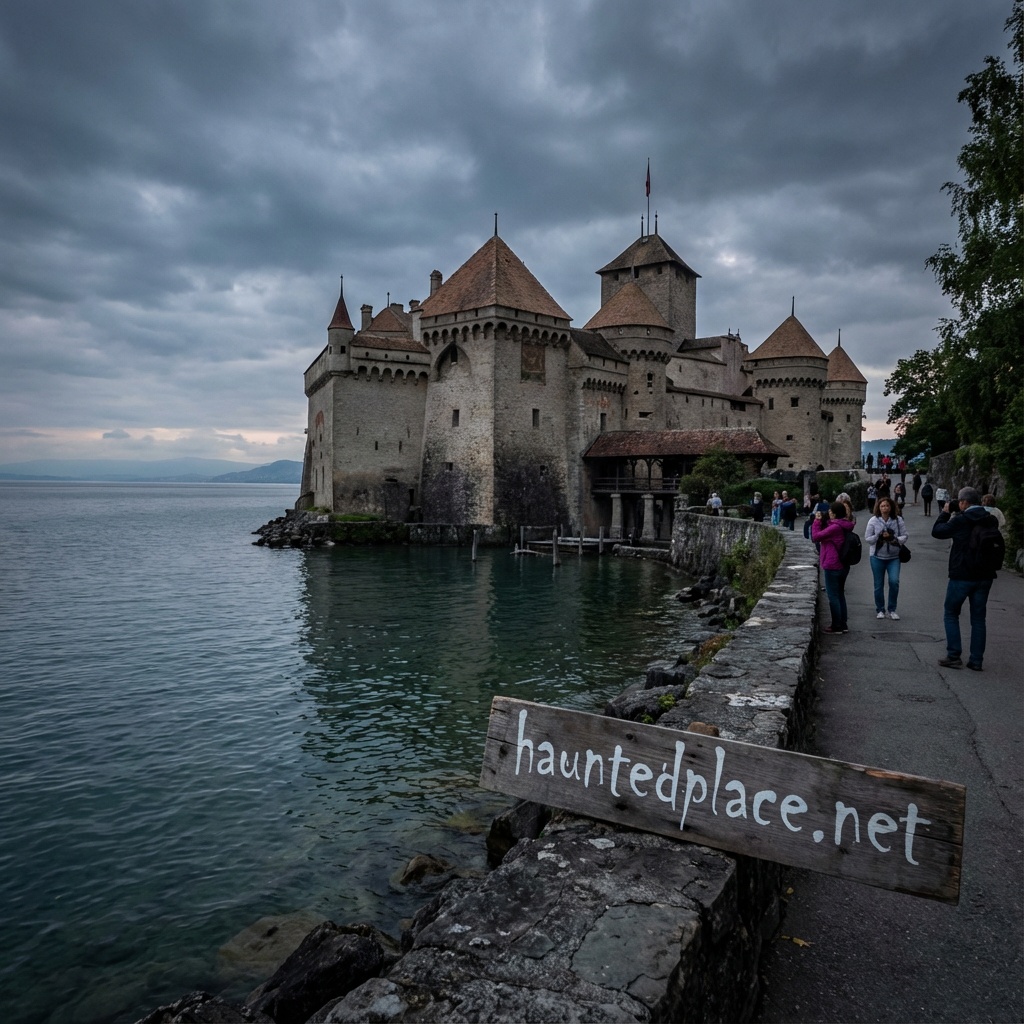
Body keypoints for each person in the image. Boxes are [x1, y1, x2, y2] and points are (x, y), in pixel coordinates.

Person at [932, 487, 1000, 670]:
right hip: (985, 575)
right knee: (978, 618)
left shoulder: (961, 520)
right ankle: (976, 660)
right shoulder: (990, 519)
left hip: (962, 574)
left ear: (963, 502)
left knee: (951, 613)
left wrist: (945, 513)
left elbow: (937, 531)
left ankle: (954, 655)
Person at [812, 501, 857, 634]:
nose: (829, 513)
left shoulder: (835, 528)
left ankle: (836, 625)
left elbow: (815, 537)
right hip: (843, 564)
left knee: (833, 596)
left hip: (833, 564)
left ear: (834, 513)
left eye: (830, 511)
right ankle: (843, 624)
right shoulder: (845, 525)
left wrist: (816, 522)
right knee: (840, 594)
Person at [865, 496, 907, 620]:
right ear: (878, 508)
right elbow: (868, 538)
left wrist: (893, 538)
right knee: (878, 584)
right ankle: (880, 609)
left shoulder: (898, 520)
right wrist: (878, 536)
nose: (885, 508)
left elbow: (905, 535)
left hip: (894, 557)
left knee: (894, 582)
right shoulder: (873, 521)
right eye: (882, 506)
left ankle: (892, 609)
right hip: (877, 557)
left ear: (891, 507)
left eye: (887, 506)